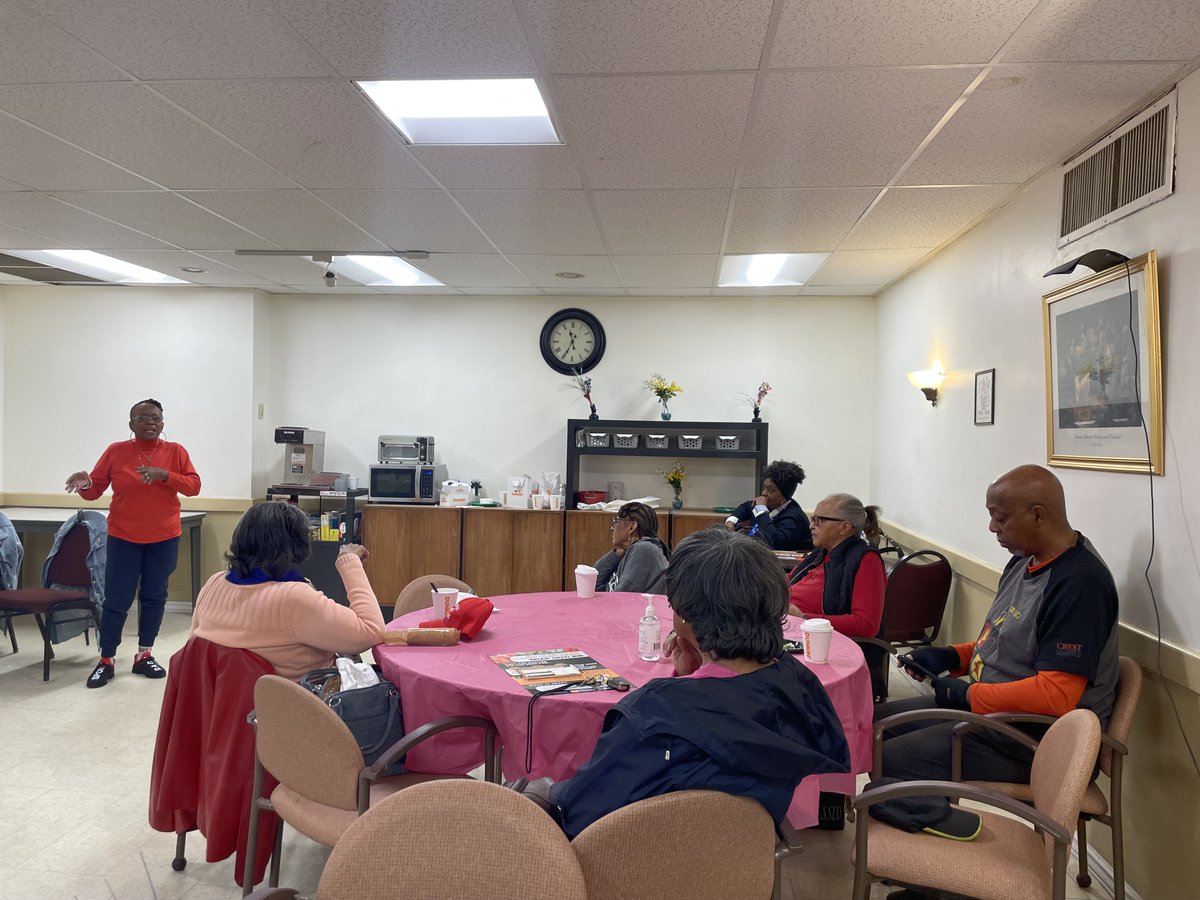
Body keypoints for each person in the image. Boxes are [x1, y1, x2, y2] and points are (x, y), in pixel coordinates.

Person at [532, 527, 849, 838]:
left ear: (684, 615)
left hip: (641, 857)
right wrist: (695, 677)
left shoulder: (654, 712)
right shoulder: (799, 685)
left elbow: (576, 813)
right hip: (739, 853)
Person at [876, 464, 1119, 788]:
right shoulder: (1023, 560)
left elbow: (1057, 696)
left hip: (1037, 739)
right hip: (996, 717)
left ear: (1037, 515)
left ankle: (943, 818)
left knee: (889, 757)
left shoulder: (1080, 584)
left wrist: (970, 696)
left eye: (1000, 517)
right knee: (875, 727)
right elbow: (1003, 640)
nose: (992, 527)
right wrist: (953, 657)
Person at [66, 399, 201, 688]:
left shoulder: (175, 451)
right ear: (131, 424)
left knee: (154, 596)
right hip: (123, 537)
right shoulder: (116, 451)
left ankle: (144, 654)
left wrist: (165, 475)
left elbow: (194, 486)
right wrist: (85, 483)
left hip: (164, 537)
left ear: (163, 423)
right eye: (143, 418)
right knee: (117, 599)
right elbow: (94, 491)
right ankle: (107, 659)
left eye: (155, 418)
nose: (150, 422)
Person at [188, 501, 385, 681]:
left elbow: (194, 649)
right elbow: (372, 631)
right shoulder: (292, 598)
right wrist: (350, 563)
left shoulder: (214, 583)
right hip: (301, 702)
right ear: (297, 544)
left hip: (225, 700)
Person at [787, 493, 886, 638]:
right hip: (787, 624)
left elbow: (866, 624)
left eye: (818, 520)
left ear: (844, 527)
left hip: (816, 638)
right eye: (813, 519)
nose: (811, 525)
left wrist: (804, 619)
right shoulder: (821, 552)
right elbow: (790, 579)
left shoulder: (867, 560)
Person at [724, 459, 812, 551]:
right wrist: (731, 521)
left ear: (784, 496)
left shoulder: (793, 518)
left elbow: (774, 542)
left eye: (771, 490)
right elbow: (746, 507)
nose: (764, 493)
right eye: (764, 487)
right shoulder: (767, 504)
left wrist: (761, 511)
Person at [593, 501, 669, 594]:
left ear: (632, 527)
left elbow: (623, 597)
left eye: (616, 522)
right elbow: (592, 584)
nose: (612, 528)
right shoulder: (629, 551)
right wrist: (615, 554)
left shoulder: (644, 550)